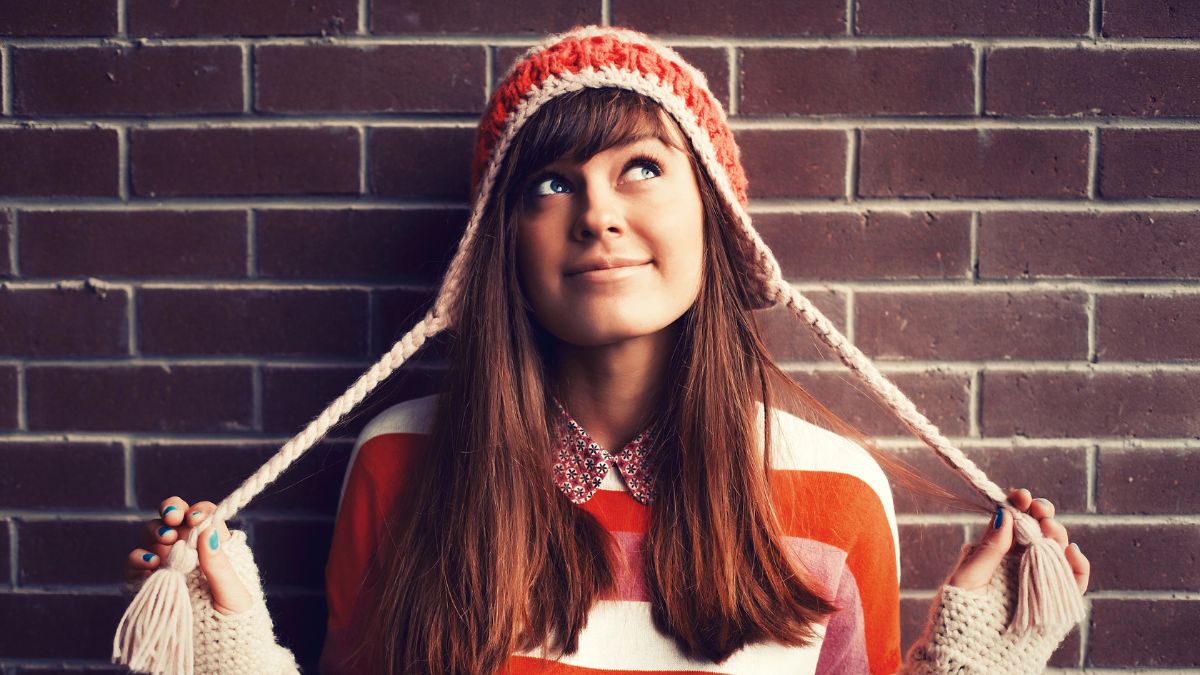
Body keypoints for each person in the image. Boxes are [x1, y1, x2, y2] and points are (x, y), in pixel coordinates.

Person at [121, 25, 1089, 674]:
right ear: (499, 242)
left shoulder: (837, 492)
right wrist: (225, 651)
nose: (598, 215)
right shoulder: (398, 462)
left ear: (713, 220)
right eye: (548, 183)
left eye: (641, 167)